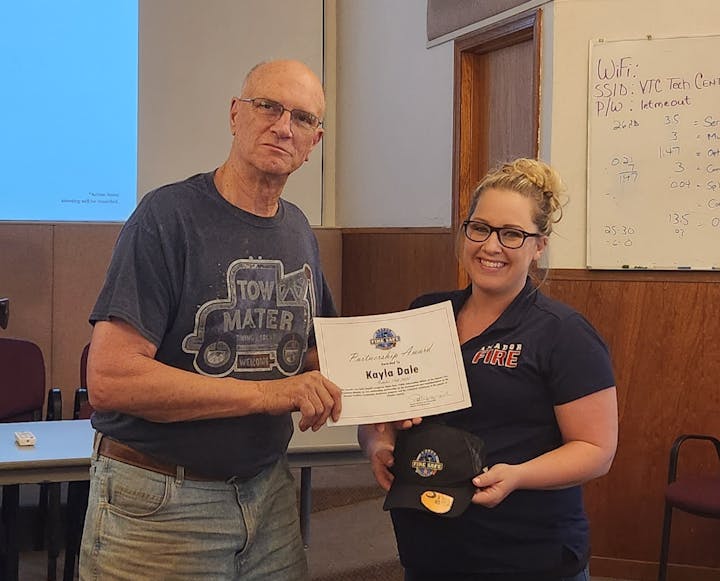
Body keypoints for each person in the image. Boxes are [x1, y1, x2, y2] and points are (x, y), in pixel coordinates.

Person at [80, 60, 341, 581]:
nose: (283, 126)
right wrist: (272, 394)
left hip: (268, 498)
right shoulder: (166, 217)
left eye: (302, 118)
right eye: (268, 106)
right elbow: (111, 380)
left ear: (313, 142)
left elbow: (315, 350)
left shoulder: (297, 231)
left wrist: (404, 381)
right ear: (235, 114)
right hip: (162, 506)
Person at [359, 158, 618, 581]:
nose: (491, 246)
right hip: (428, 550)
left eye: (512, 234)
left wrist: (517, 476)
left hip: (528, 557)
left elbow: (596, 451)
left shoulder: (565, 334)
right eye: (479, 228)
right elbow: (382, 415)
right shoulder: (424, 314)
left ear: (539, 246)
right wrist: (377, 445)